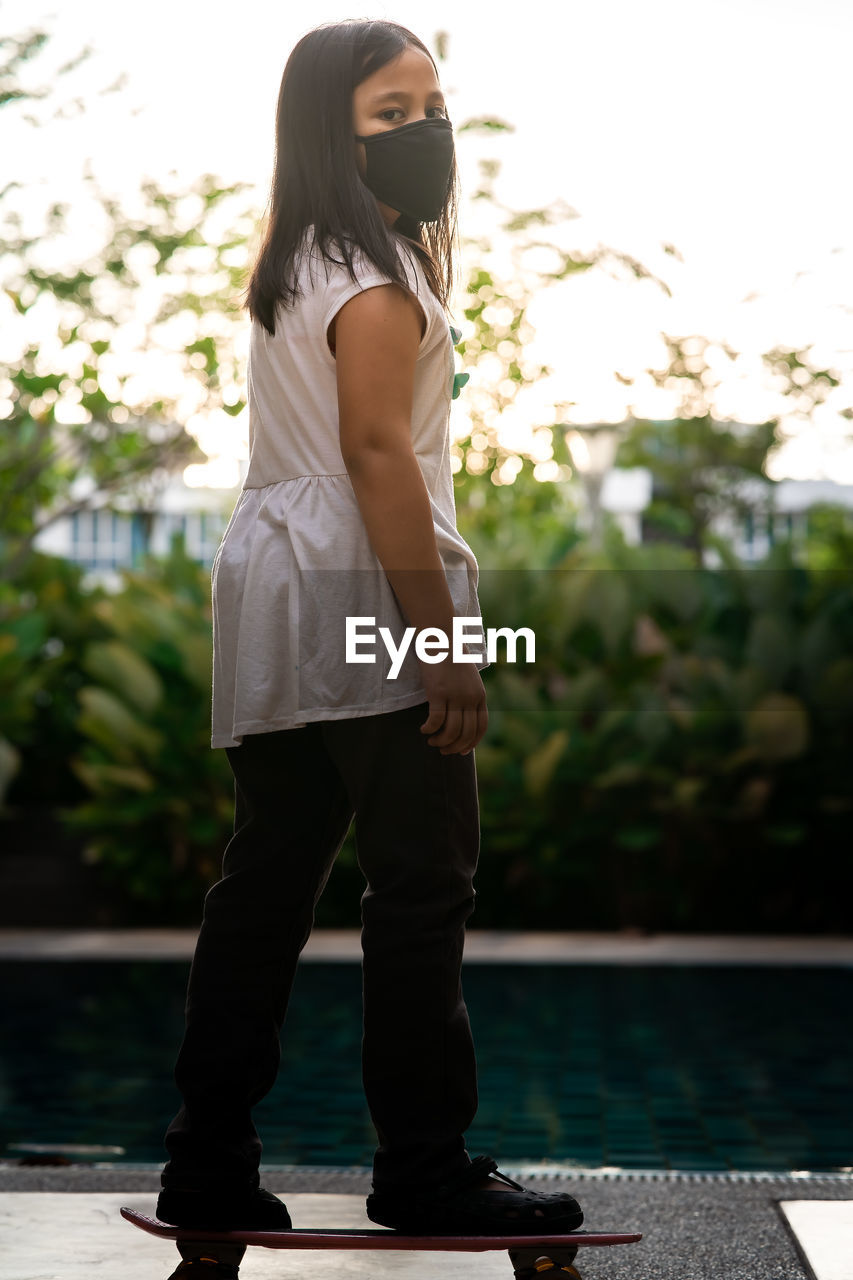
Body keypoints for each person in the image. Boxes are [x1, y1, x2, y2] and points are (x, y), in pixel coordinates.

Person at [156, 17, 584, 1273]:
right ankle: (424, 1171)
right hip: (362, 584)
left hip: (274, 580)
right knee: (422, 886)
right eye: (388, 113)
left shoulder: (296, 259)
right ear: (328, 133)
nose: (424, 131)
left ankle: (206, 1160)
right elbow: (380, 455)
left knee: (265, 885)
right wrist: (441, 645)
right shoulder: (378, 277)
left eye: (429, 105)